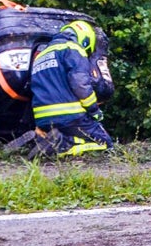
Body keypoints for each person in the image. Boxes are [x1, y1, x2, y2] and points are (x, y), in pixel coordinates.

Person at [30, 20, 114, 156]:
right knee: (105, 143)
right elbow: (80, 84)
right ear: (85, 39)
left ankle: (45, 139)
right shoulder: (73, 49)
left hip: (42, 118)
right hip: (70, 115)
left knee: (74, 134)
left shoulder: (41, 55)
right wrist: (93, 110)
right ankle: (61, 144)